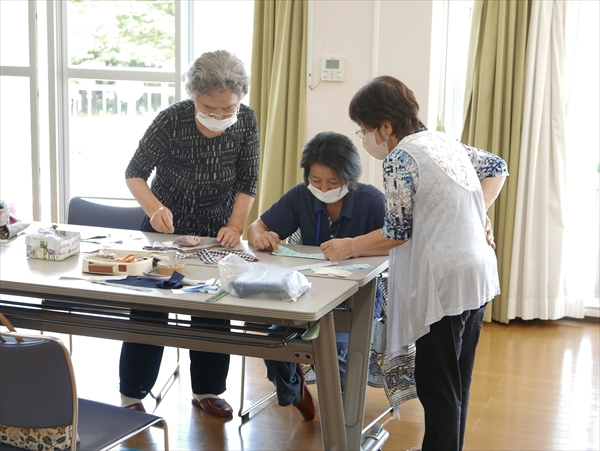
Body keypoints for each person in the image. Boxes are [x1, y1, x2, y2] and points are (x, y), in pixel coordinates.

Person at [322, 76, 508, 451]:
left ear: (385, 127)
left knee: (438, 387)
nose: (364, 139)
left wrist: (350, 246)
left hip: (446, 281)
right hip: (478, 273)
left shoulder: (400, 158)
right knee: (457, 382)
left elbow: (397, 232)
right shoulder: (443, 141)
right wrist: (476, 215)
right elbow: (498, 167)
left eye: (364, 130)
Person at [119, 50, 259, 418]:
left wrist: (234, 226)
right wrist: (154, 209)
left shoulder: (246, 121)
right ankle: (132, 395)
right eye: (209, 108)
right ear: (194, 96)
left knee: (214, 306)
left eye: (227, 109)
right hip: (165, 229)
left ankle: (207, 390)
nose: (218, 117)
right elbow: (135, 173)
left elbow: (248, 181)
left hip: (217, 230)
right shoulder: (171, 121)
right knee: (151, 309)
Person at [248, 131, 400, 421]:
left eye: (333, 182)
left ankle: (345, 418)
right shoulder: (300, 195)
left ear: (350, 177)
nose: (324, 188)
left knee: (336, 349)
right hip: (306, 295)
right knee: (272, 343)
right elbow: (257, 225)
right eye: (316, 181)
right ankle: (296, 393)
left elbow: (396, 244)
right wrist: (260, 237)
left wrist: (355, 249)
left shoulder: (372, 201)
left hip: (357, 300)